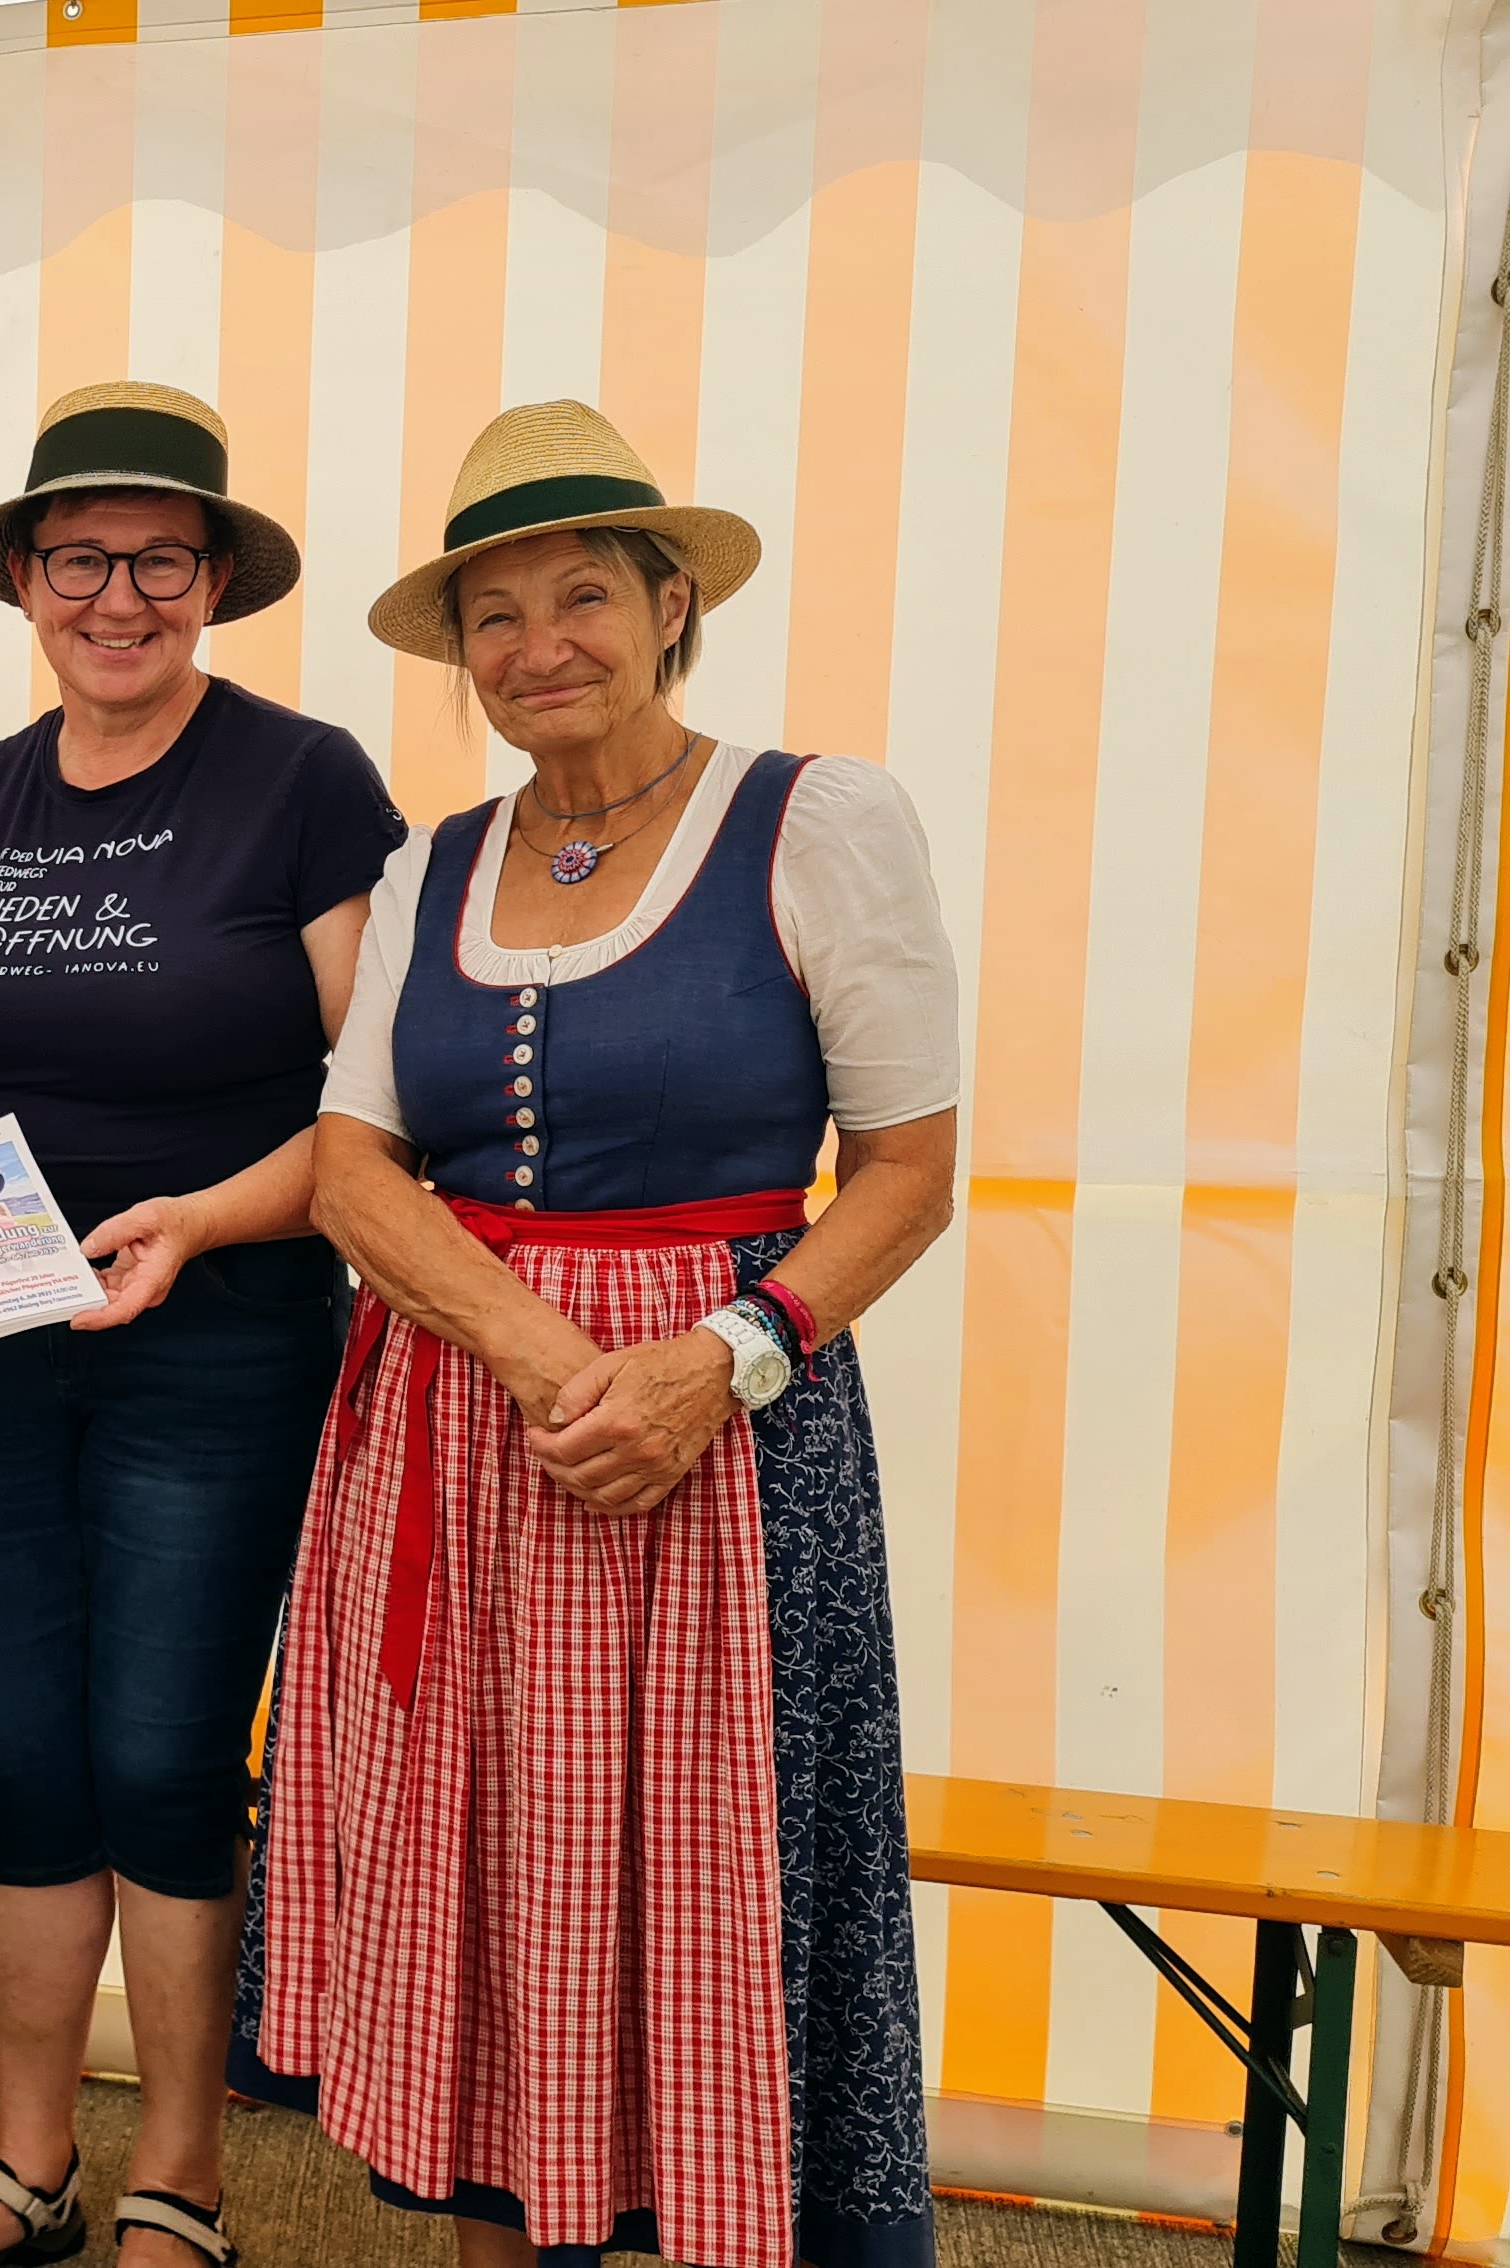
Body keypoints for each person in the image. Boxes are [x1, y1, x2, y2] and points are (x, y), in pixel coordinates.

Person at [246, 399, 960, 2268]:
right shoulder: (437, 863)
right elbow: (350, 1166)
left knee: (715, 1887)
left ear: (668, 606)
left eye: (582, 595)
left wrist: (715, 1362)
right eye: (495, 612)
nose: (538, 643)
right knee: (502, 1901)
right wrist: (558, 1365)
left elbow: (905, 1173)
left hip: (732, 1449)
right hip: (477, 1435)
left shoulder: (820, 818)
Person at [0, 382, 402, 2268]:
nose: (117, 595)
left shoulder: (304, 778)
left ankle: (179, 2171)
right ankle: (27, 2156)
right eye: (78, 558)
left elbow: (383, 1099)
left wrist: (206, 1219)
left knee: (167, 1745)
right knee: (21, 1743)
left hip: (222, 1324)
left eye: (159, 559)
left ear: (216, 580)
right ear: (24, 575)